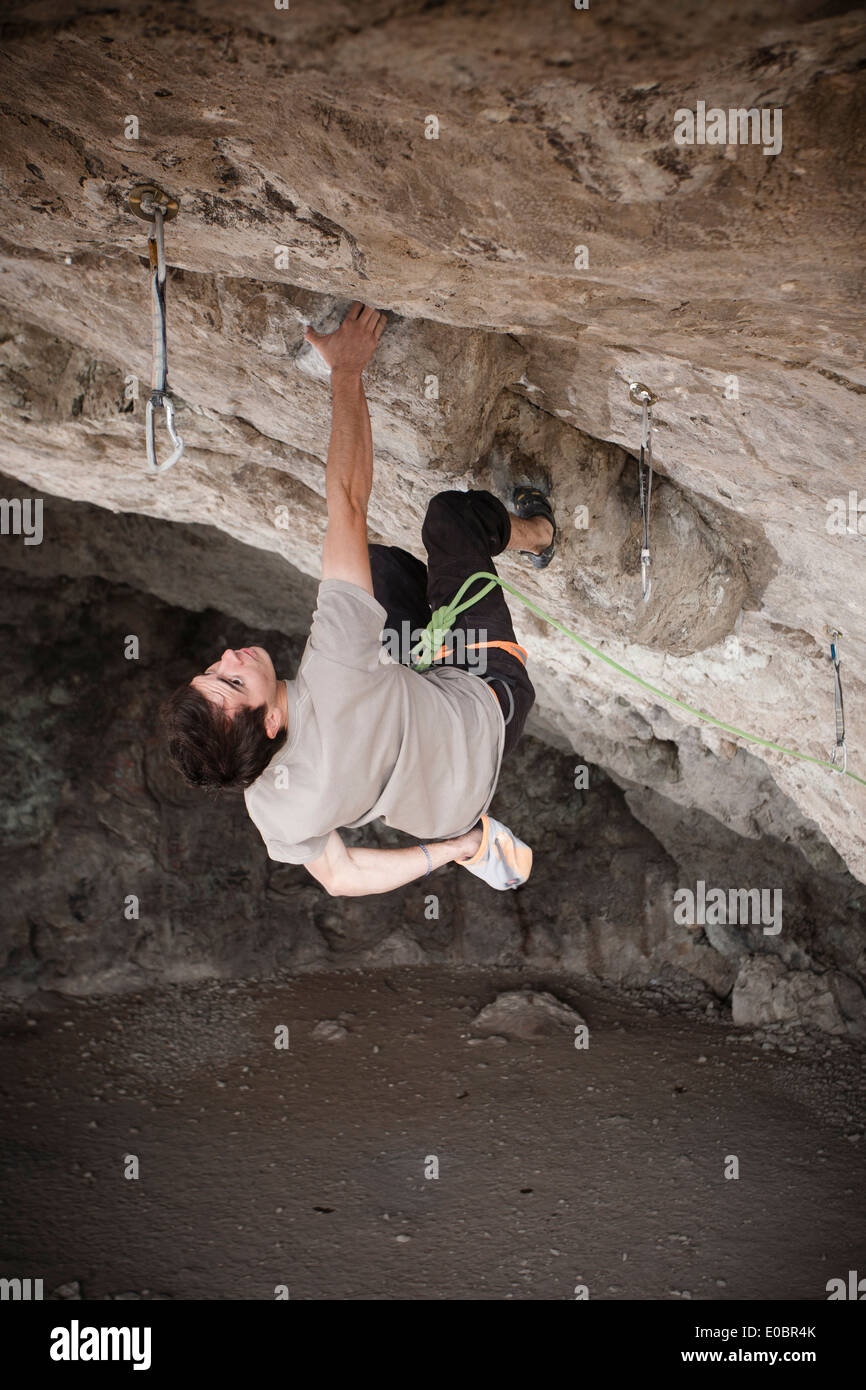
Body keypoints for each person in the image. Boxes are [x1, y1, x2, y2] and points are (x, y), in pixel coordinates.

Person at [161, 303, 556, 896]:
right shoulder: (337, 666)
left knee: (378, 574)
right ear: (270, 722)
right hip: (489, 702)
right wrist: (346, 373)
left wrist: (453, 848)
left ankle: (471, 835)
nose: (230, 657)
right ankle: (541, 536)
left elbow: (343, 878)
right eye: (234, 681)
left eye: (212, 670)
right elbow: (347, 501)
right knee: (450, 521)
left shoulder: (272, 808)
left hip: (447, 811)